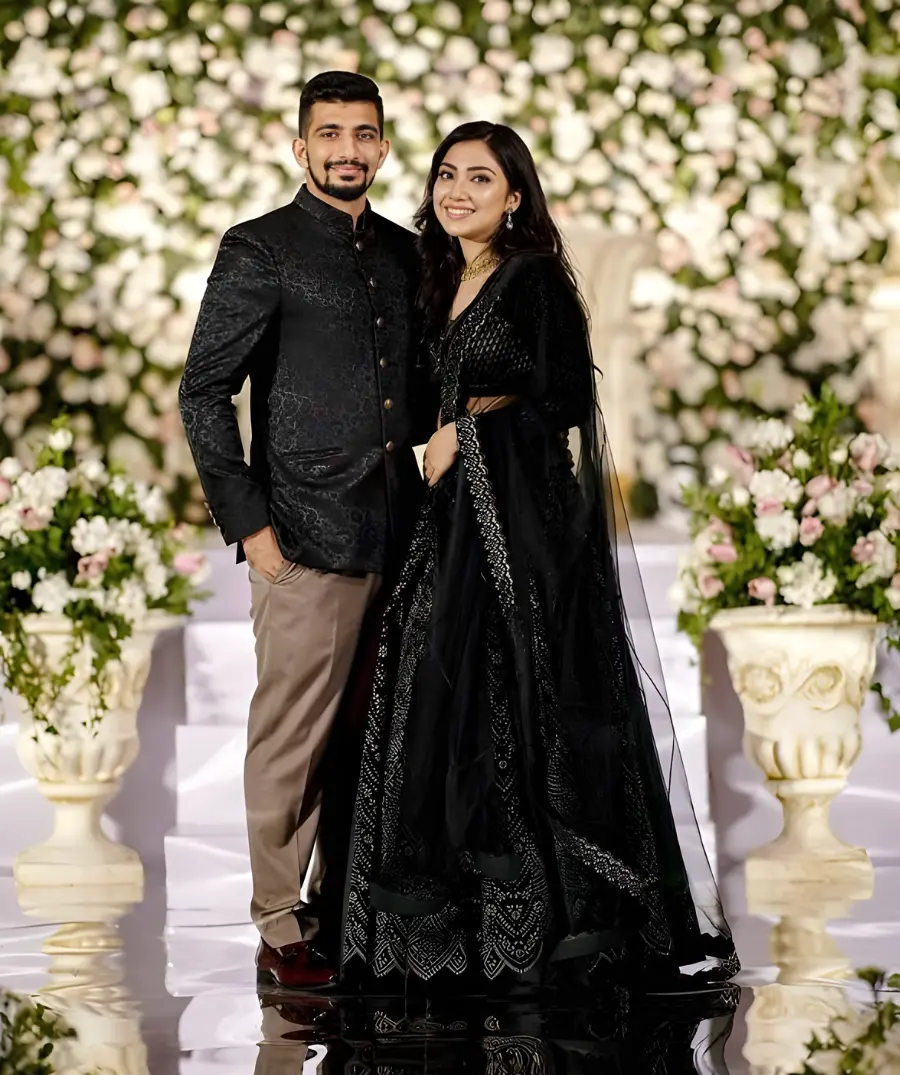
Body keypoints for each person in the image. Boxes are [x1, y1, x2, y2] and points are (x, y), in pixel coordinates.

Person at [341, 122, 739, 992]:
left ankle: (556, 928)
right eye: (448, 175)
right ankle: (457, 936)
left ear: (515, 195)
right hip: (454, 526)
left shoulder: (534, 281)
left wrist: (466, 436)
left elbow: (562, 402)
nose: (458, 192)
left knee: (526, 695)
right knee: (442, 694)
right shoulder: (441, 275)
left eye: (480, 180)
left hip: (523, 527)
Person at [179, 71, 431, 991]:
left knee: (373, 736)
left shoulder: (409, 254)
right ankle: (280, 917)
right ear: (299, 147)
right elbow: (204, 390)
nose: (347, 151)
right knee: (291, 736)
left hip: (403, 538)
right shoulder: (260, 248)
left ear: (384, 146)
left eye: (364, 134)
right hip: (304, 537)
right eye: (330, 134)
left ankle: (342, 904)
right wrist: (254, 532)